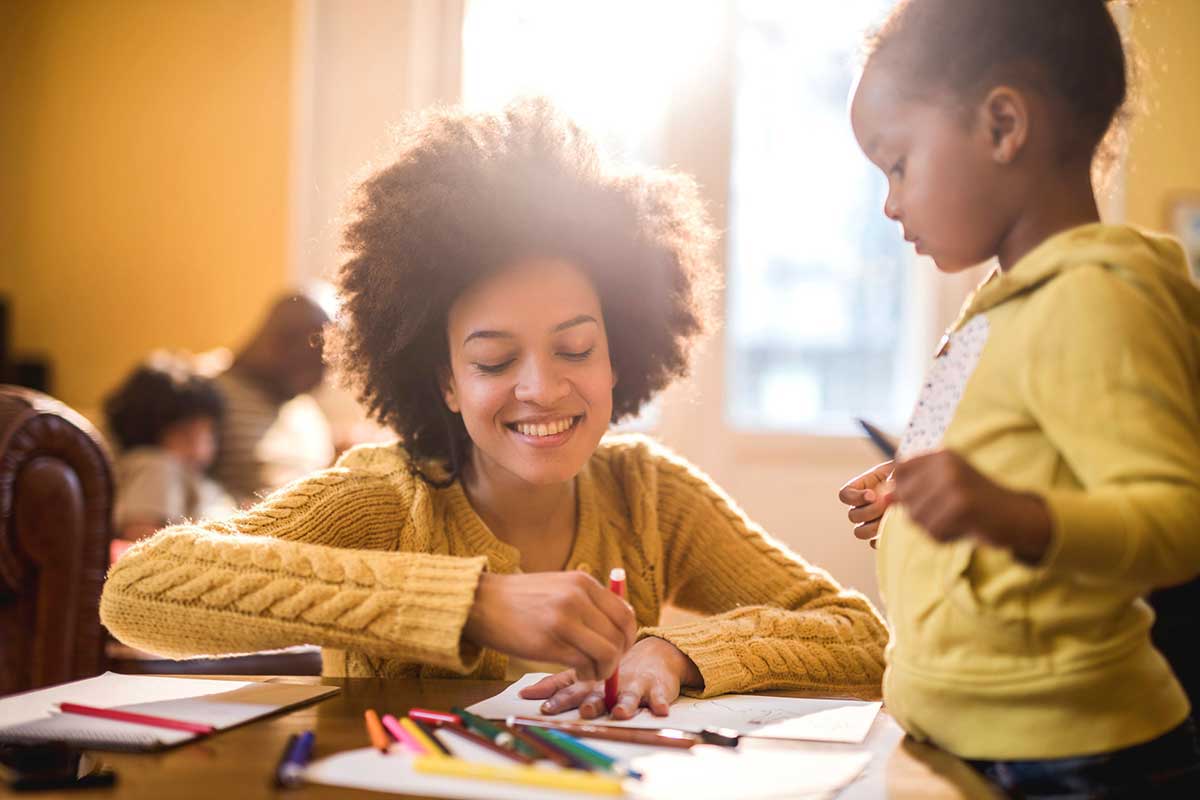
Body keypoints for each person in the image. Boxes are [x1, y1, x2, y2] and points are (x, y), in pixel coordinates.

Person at [102, 99, 888, 719]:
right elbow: (138, 591)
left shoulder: (650, 494)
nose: (542, 389)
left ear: (622, 355)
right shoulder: (385, 498)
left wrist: (678, 654)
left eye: (576, 350)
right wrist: (472, 604)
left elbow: (859, 637)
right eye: (493, 361)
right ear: (444, 381)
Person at [840, 0, 1200, 794]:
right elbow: (992, 470)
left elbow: (1178, 523)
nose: (891, 204)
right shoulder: (994, 311)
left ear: (1004, 126)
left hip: (1074, 759)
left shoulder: (1097, 301)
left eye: (899, 165)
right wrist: (911, 497)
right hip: (961, 735)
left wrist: (1009, 514)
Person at [210, 293, 335, 505]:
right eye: (316, 365)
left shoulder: (304, 408)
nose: (321, 381)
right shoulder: (202, 393)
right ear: (280, 343)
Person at [104, 353, 235, 548]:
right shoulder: (154, 465)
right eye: (185, 435)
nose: (199, 450)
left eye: (208, 435)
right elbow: (141, 538)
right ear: (146, 432)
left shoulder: (193, 477)